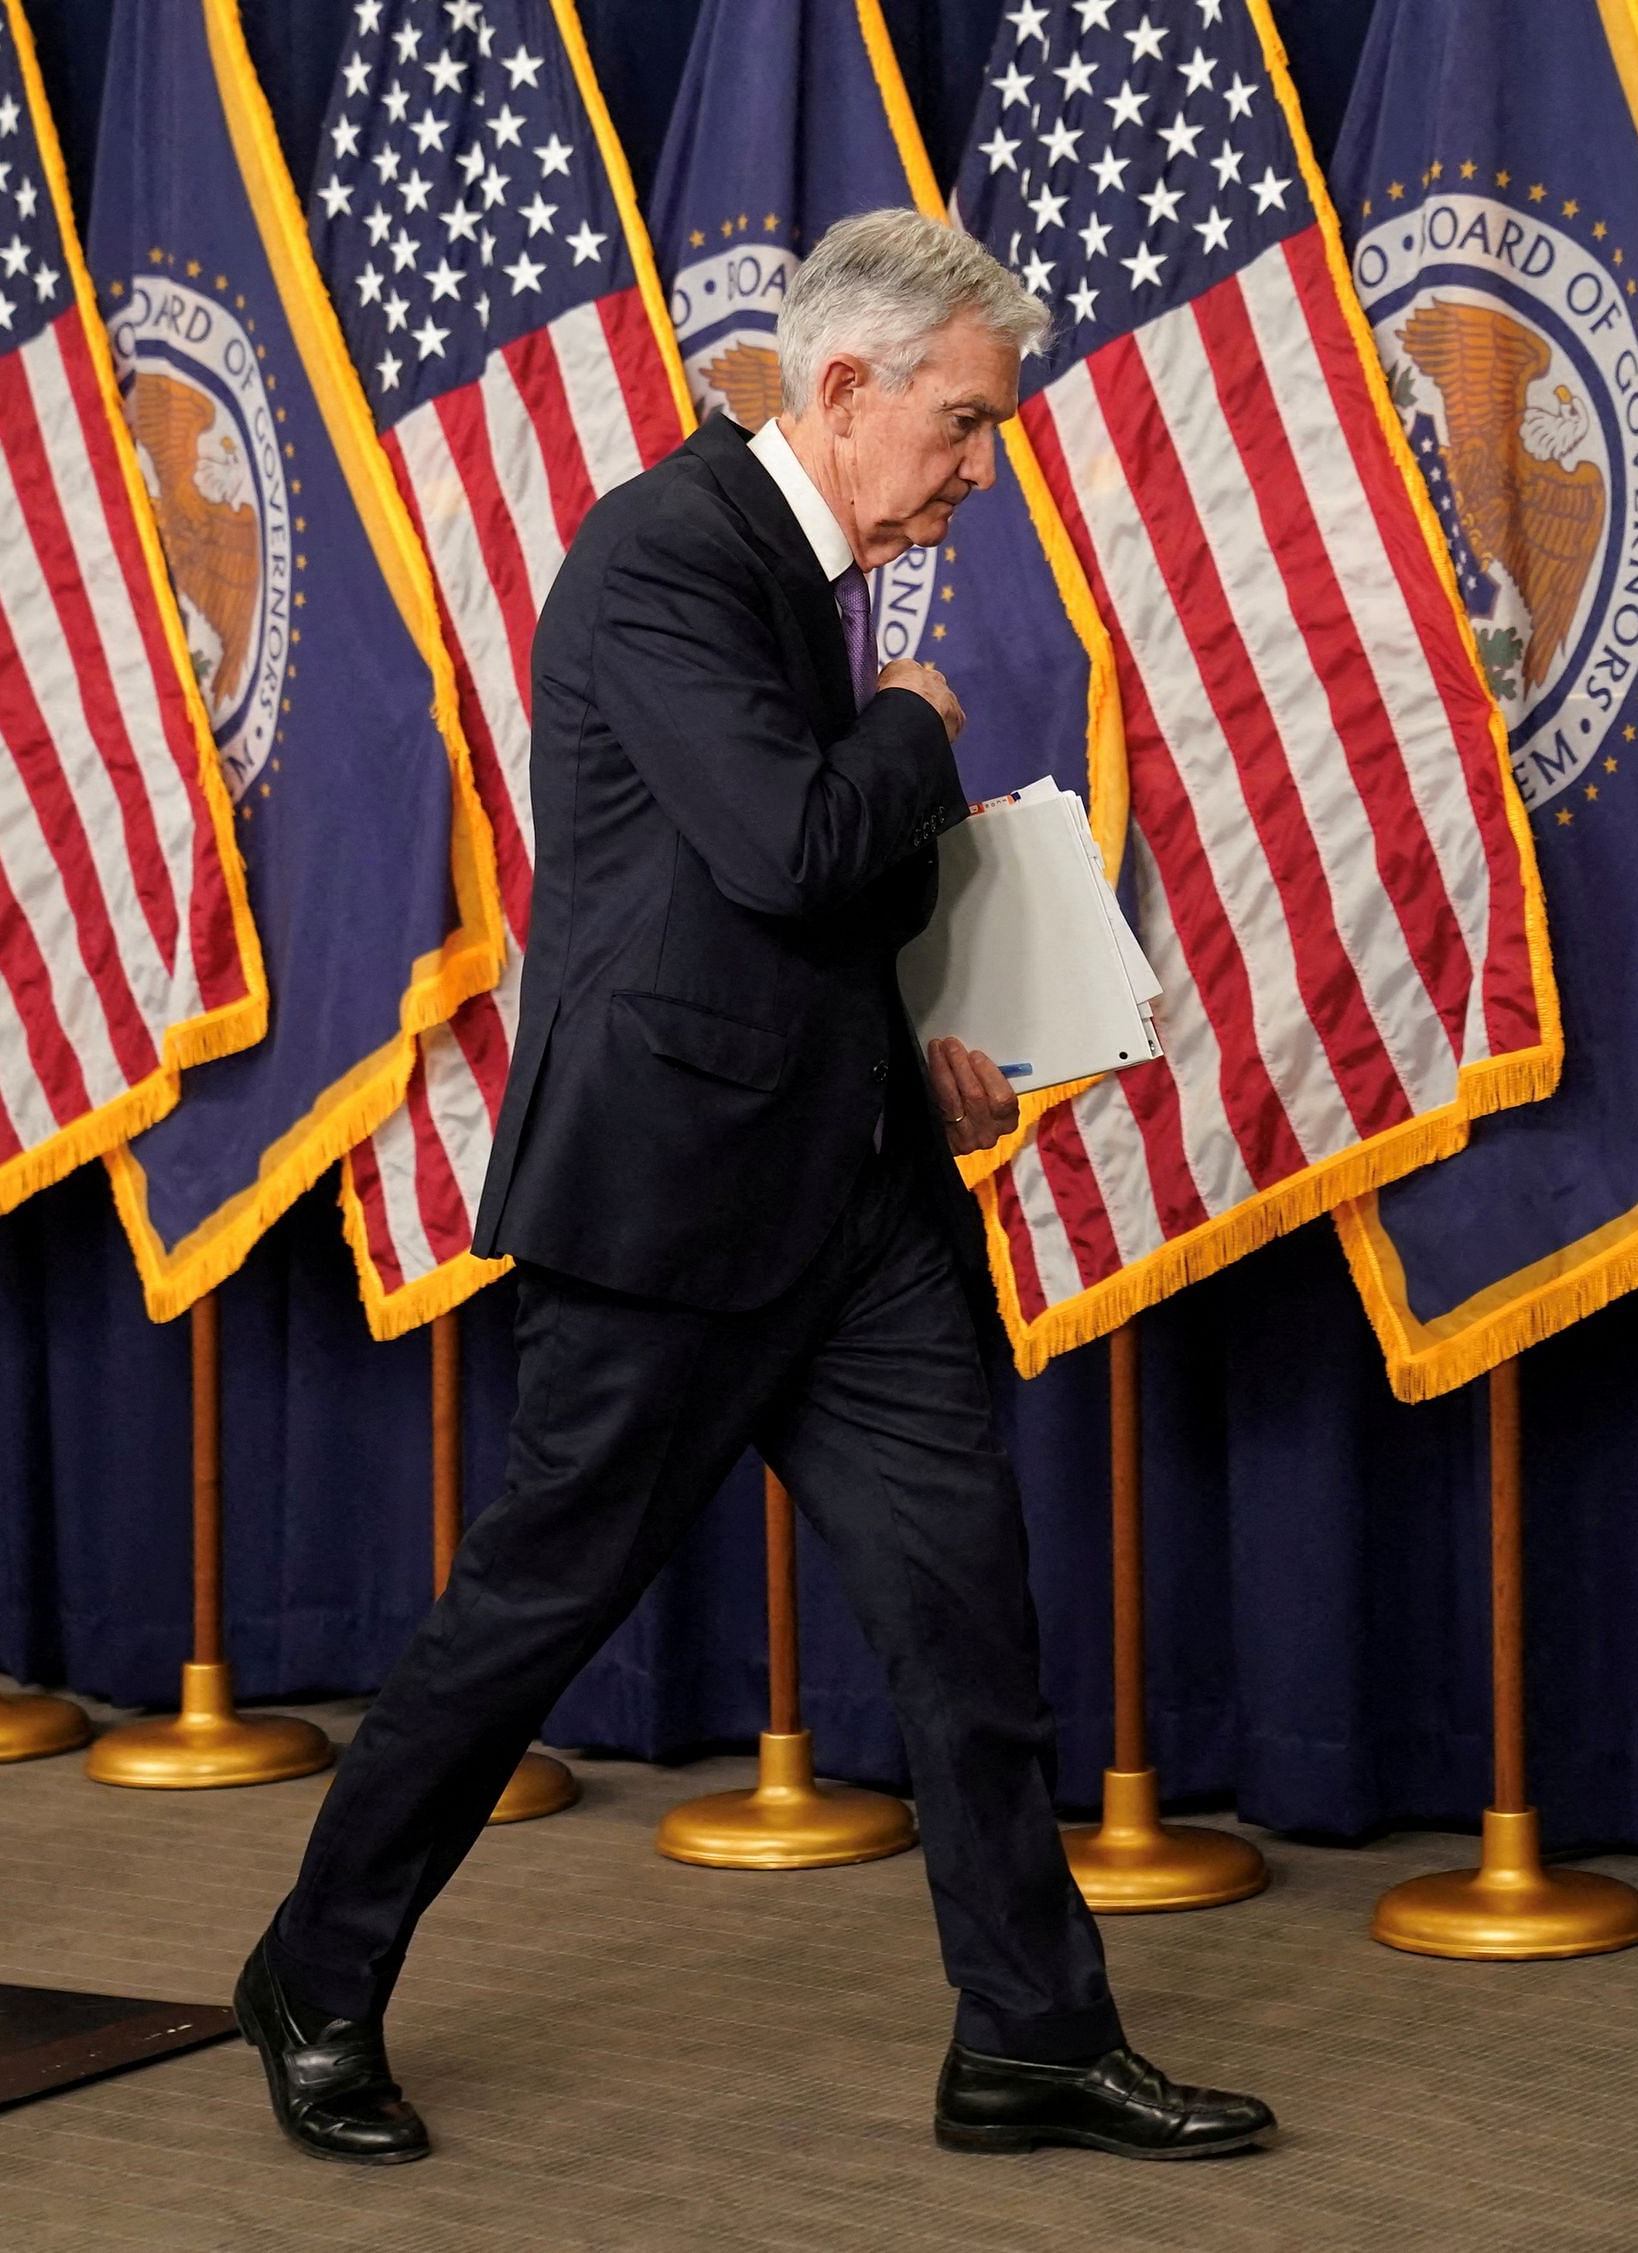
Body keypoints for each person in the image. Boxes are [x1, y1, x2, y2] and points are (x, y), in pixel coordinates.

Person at [230, 209, 1272, 2168]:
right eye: (962, 425)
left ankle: (1031, 2038)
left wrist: (918, 1044)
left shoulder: (812, 571)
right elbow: (793, 844)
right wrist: (922, 722)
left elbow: (768, 907)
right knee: (528, 1614)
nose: (981, 468)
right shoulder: (662, 556)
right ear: (847, 385)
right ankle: (316, 1966)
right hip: (668, 1203)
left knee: (970, 1614)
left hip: (851, 1190)